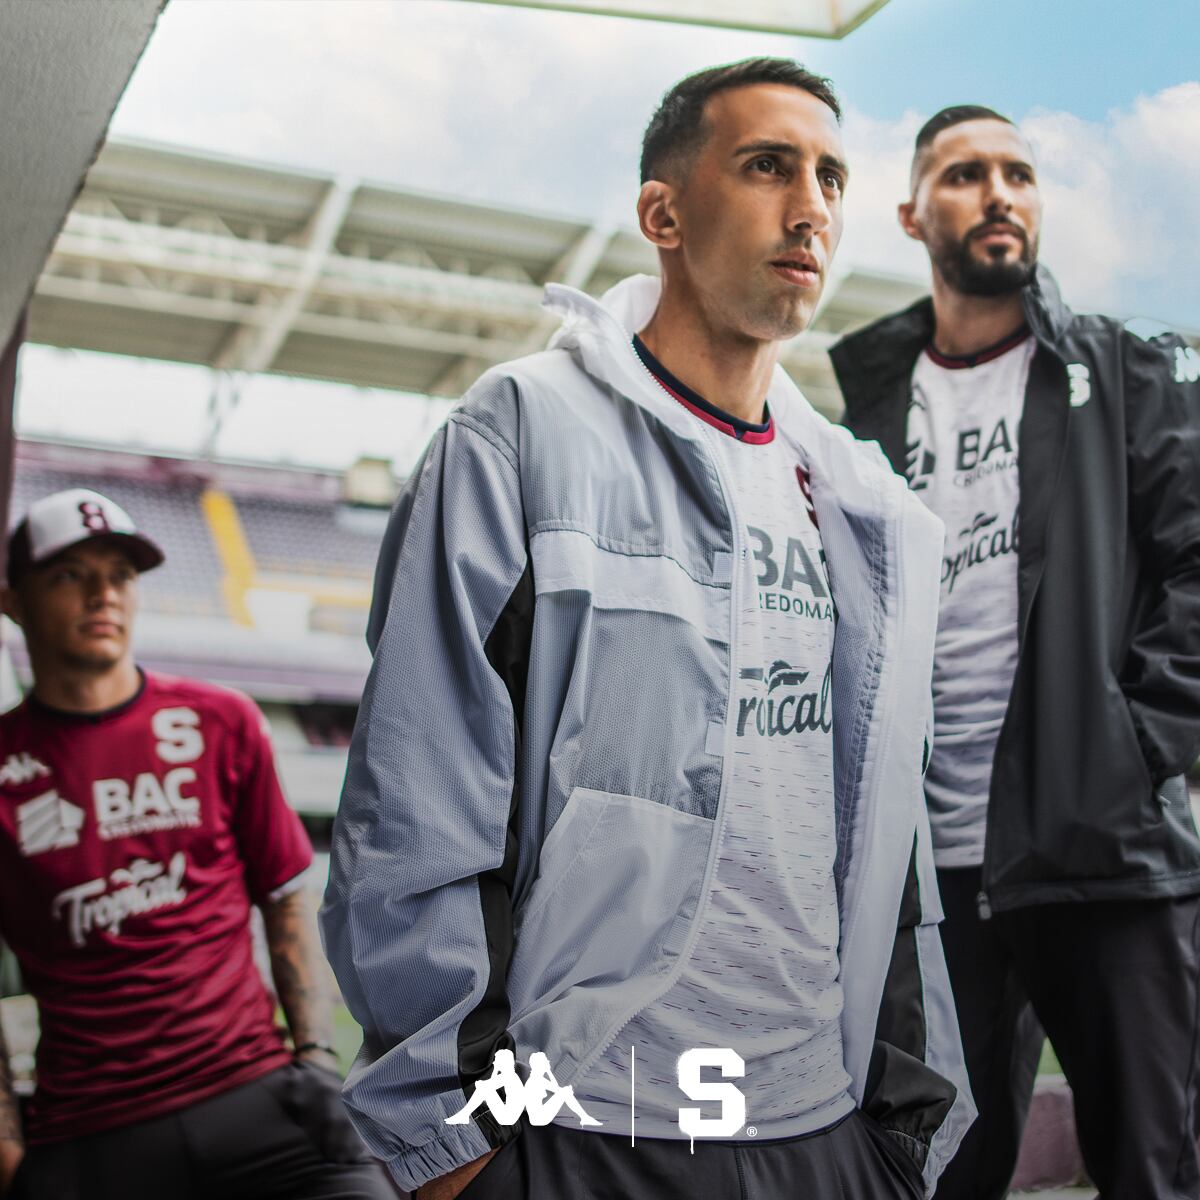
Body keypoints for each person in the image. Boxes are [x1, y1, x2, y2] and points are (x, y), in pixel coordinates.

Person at [321, 58, 973, 1200]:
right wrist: (453, 1149)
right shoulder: (524, 429)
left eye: (830, 175)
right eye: (767, 165)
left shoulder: (868, 507)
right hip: (582, 1124)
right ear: (662, 211)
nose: (809, 203)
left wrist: (896, 1128)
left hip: (822, 1127)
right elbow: (416, 797)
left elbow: (885, 839)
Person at [833, 105, 1200, 1200]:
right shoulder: (868, 407)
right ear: (911, 212)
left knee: (1155, 1169)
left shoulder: (1126, 372)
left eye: (1019, 173)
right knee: (938, 1172)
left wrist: (1135, 748)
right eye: (964, 174)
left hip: (1106, 852)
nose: (998, 192)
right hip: (930, 872)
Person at [0, 487, 394, 1199]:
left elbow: (284, 898)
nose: (103, 595)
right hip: (89, 1137)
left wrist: (314, 1060)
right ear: (13, 602)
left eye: (119, 575)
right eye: (69, 575)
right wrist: (7, 1154)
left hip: (255, 1099)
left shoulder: (220, 722)